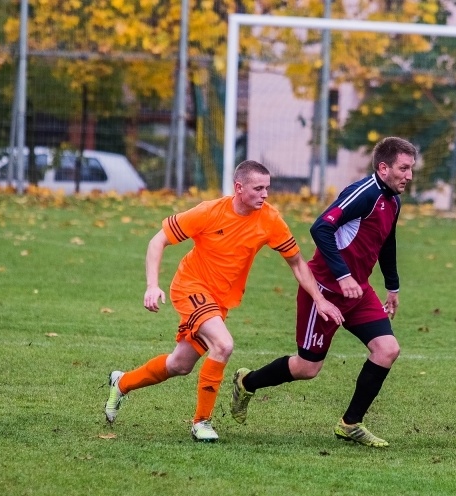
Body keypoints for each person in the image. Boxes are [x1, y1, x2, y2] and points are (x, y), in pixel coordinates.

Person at [104, 160, 344, 442]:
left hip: (220, 301)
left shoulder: (270, 219)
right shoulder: (209, 211)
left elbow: (297, 263)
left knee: (180, 365)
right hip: (190, 287)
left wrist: (320, 300)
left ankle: (123, 382)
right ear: (239, 188)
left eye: (268, 188)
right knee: (224, 344)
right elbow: (158, 241)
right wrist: (152, 285)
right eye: (258, 188)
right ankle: (201, 422)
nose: (265, 194)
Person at [230, 136, 417, 448]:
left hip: (358, 292)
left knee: (388, 349)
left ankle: (350, 424)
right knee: (307, 368)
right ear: (383, 168)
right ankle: (247, 382)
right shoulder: (363, 193)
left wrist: (392, 286)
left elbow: (387, 241)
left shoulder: (393, 200)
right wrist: (343, 276)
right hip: (325, 290)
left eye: (412, 169)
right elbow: (320, 228)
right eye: (404, 168)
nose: (409, 175)